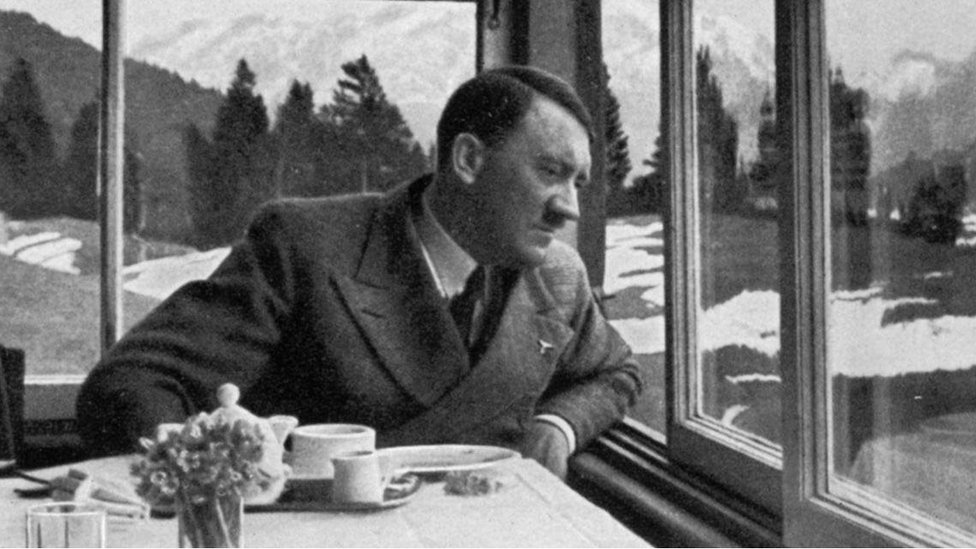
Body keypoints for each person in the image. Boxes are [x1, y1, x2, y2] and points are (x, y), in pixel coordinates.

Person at [77, 65, 645, 479]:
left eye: (578, 183)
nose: (570, 208)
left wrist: (560, 426)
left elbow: (615, 372)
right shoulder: (304, 245)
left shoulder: (558, 277)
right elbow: (130, 383)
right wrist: (205, 467)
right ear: (469, 160)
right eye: (551, 172)